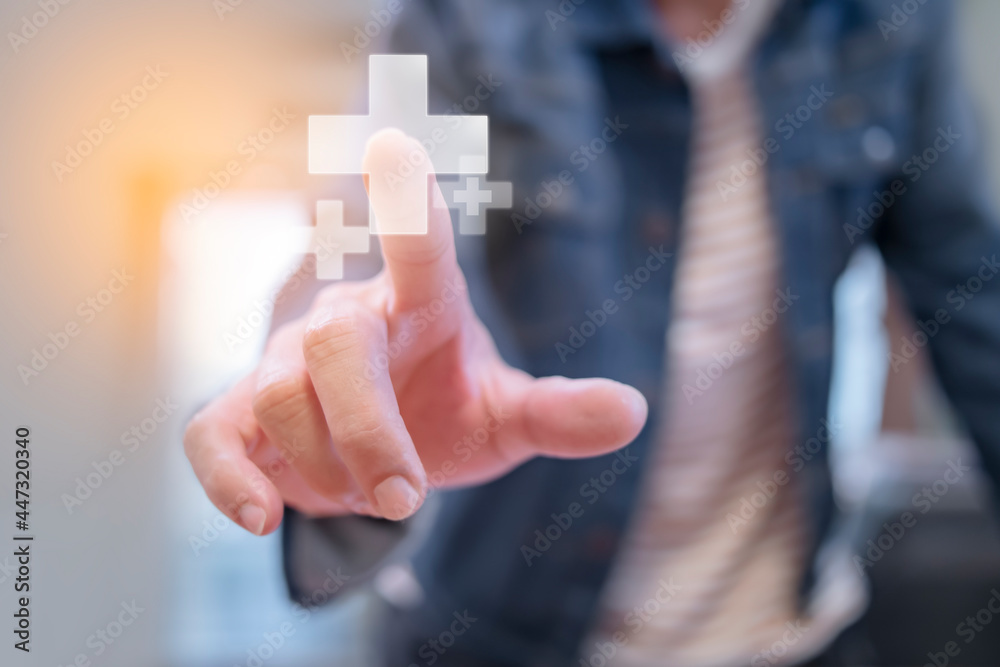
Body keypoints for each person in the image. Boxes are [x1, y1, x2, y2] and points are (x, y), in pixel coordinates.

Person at [182, 0, 1000, 664]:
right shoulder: (462, 18)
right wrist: (332, 348)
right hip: (490, 634)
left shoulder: (897, 21)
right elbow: (356, 240)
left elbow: (971, 290)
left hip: (786, 631)